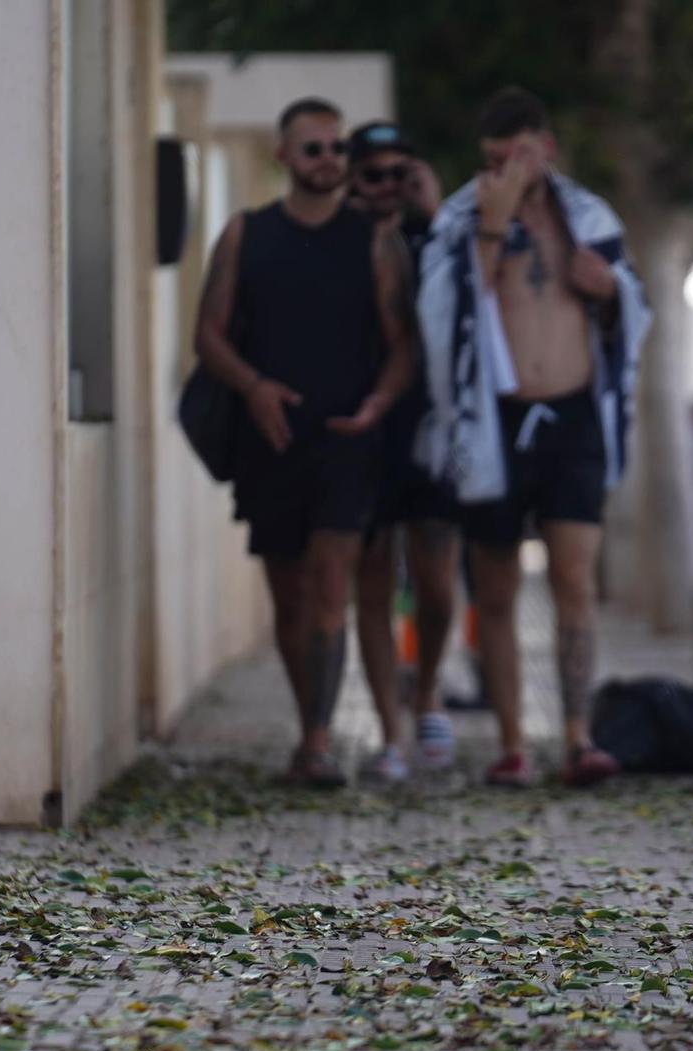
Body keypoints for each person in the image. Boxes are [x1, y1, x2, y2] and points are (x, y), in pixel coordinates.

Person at [415, 88, 650, 788]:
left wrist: (609, 288)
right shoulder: (464, 218)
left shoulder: (589, 218)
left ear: (544, 148)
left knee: (575, 577)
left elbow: (633, 308)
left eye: (515, 157)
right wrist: (491, 222)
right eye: (491, 161)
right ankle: (513, 742)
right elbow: (445, 314)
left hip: (573, 416)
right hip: (496, 422)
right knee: (495, 587)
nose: (504, 171)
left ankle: (578, 737)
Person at [193, 98, 415, 787]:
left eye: (336, 149)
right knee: (288, 597)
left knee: (328, 585)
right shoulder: (245, 234)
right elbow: (208, 334)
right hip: (272, 440)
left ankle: (317, 743)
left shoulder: (375, 241)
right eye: (313, 149)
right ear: (284, 156)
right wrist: (254, 387)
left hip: (348, 442)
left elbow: (405, 342)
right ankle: (308, 724)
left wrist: (378, 401)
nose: (328, 160)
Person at [343, 121, 459, 783]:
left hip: (432, 428)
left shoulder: (437, 238)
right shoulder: (340, 243)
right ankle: (391, 727)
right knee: (375, 585)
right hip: (364, 429)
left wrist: (436, 210)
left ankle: (430, 688)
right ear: (355, 179)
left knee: (439, 586)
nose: (388, 187)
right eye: (375, 174)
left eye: (400, 173)